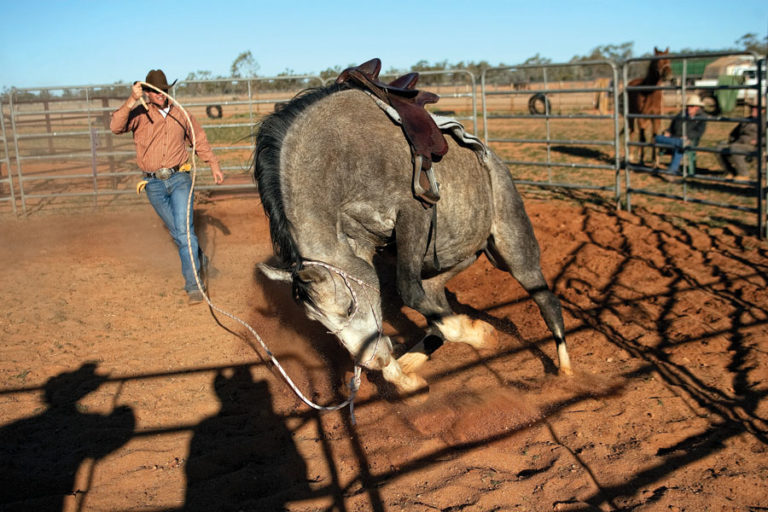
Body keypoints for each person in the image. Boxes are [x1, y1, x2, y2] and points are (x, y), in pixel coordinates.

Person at [110, 69, 224, 305]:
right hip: (153, 184)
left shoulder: (181, 114)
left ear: (167, 91)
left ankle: (194, 286)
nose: (159, 94)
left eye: (163, 90)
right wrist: (131, 100)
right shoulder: (138, 114)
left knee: (183, 233)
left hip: (179, 178)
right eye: (154, 91)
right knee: (179, 233)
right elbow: (115, 127)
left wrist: (213, 164)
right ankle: (202, 263)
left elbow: (199, 140)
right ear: (147, 93)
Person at [653, 94, 708, 175]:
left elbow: (698, 132)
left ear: (697, 107)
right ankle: (680, 144)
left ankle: (671, 171)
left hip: (687, 140)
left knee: (679, 148)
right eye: (688, 106)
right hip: (674, 138)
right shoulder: (681, 114)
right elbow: (672, 125)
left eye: (691, 106)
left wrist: (688, 136)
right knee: (657, 138)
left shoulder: (701, 118)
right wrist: (668, 131)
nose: (689, 108)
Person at [716, 99, 760, 181]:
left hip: (755, 146)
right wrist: (731, 139)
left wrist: (759, 141)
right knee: (720, 147)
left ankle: (744, 174)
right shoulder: (746, 120)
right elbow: (734, 132)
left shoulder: (764, 121)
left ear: (763, 109)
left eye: (756, 108)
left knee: (735, 148)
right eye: (752, 107)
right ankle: (730, 171)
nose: (753, 109)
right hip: (739, 143)